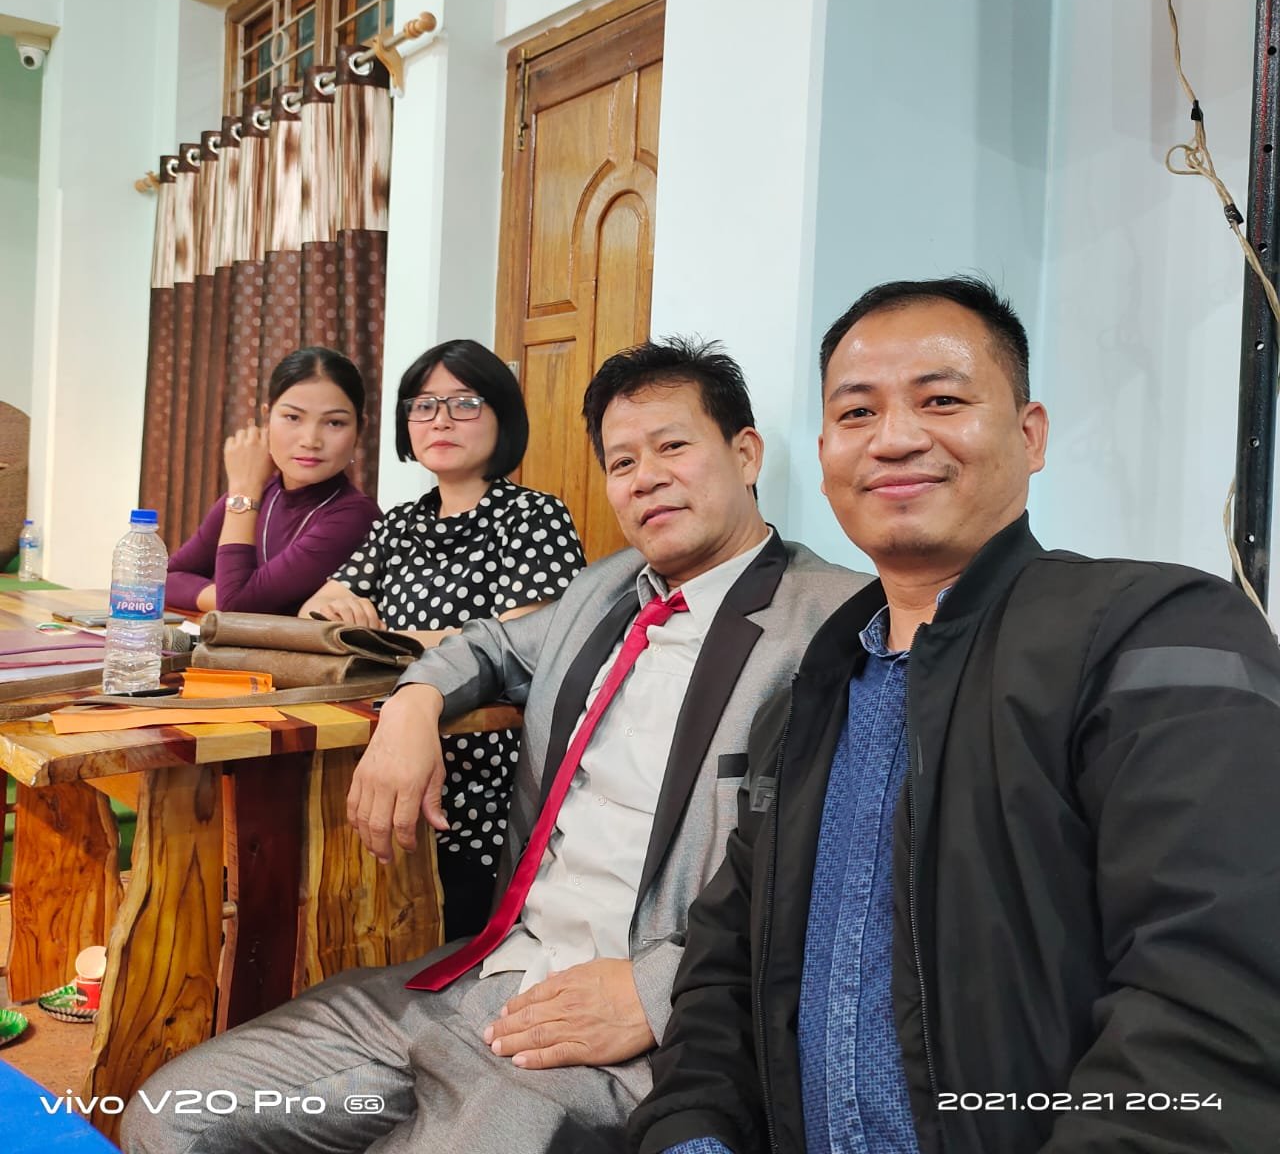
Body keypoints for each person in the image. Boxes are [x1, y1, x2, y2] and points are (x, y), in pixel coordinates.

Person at [121, 337, 870, 1154]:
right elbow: (487, 645)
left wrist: (659, 990)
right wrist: (413, 705)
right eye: (622, 462)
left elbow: (853, 874)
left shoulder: (834, 621)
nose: (645, 477)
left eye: (672, 447)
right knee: (168, 1115)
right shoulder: (605, 590)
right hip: (477, 977)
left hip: (613, 1028)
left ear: (746, 453)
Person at [629, 277, 1280, 1154]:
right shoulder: (806, 702)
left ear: (1030, 434)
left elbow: (1219, 1002)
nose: (895, 438)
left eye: (941, 400)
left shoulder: (1156, 633)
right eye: (857, 413)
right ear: (824, 454)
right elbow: (722, 978)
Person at [299, 339, 586, 937]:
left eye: (465, 403)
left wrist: (381, 637)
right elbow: (314, 615)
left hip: (487, 778)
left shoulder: (534, 517)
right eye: (424, 406)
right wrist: (334, 609)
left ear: (503, 416)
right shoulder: (399, 524)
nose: (441, 421)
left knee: (450, 945)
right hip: (379, 754)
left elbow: (518, 648)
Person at [166, 346, 380, 617]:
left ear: (360, 430)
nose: (310, 440)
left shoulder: (355, 516)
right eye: (293, 417)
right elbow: (165, 579)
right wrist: (224, 597)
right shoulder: (260, 492)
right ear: (267, 419)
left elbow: (237, 606)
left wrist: (243, 491)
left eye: (334, 423)